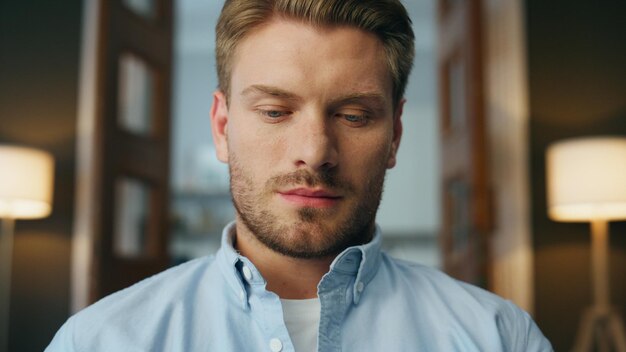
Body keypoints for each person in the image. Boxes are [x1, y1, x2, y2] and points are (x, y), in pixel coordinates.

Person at [47, 0, 553, 351]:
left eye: (354, 116)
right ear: (222, 128)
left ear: (395, 135)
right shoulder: (100, 342)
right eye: (274, 111)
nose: (314, 152)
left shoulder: (499, 338)